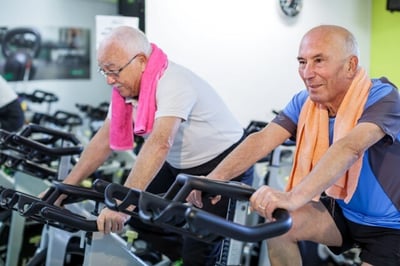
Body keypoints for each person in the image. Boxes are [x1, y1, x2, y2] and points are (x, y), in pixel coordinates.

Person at [187, 25, 400, 266]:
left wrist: (293, 196)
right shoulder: (305, 103)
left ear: (351, 65)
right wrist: (214, 179)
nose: (307, 73)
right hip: (344, 213)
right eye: (302, 62)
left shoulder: (383, 97)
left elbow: (349, 147)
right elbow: (263, 138)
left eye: (319, 61)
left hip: (393, 226)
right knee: (279, 225)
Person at [59, 26, 253, 266]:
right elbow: (103, 140)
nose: (109, 80)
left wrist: (124, 205)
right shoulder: (125, 90)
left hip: (224, 161)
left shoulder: (173, 82)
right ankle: (179, 255)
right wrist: (64, 189)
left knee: (200, 250)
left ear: (140, 61)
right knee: (141, 217)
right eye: (104, 71)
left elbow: (160, 143)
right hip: (178, 164)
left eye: (113, 70)